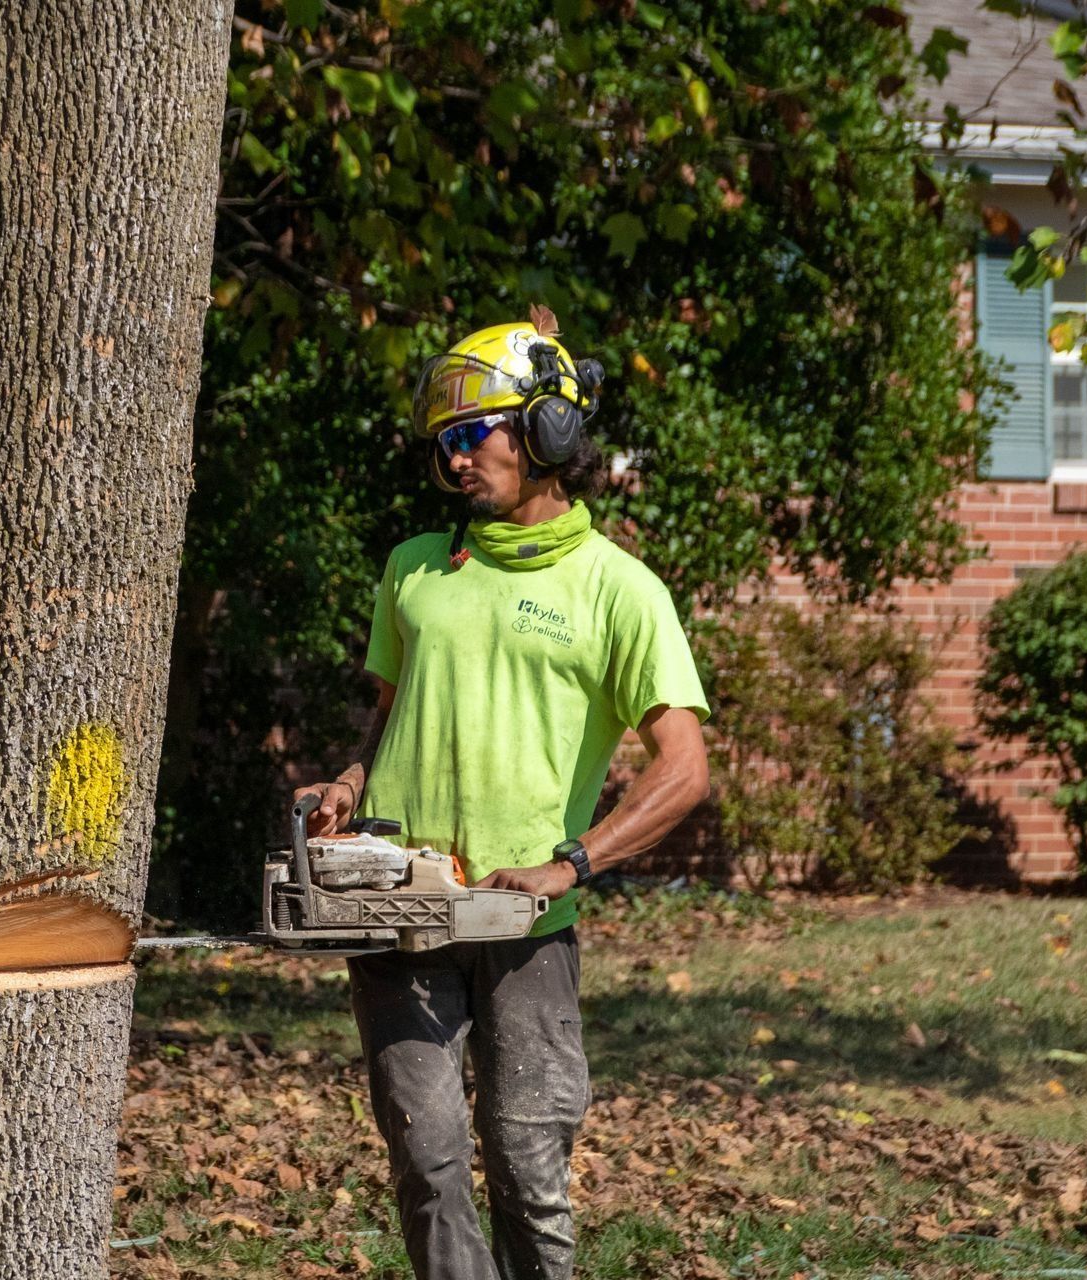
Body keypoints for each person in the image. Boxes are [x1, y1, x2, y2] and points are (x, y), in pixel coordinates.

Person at [295, 312, 710, 1280]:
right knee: (428, 1162)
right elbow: (391, 716)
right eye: (441, 444)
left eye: (468, 435)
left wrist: (573, 862)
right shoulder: (414, 570)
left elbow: (684, 767)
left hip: (528, 922)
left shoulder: (618, 589)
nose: (452, 462)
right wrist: (350, 782)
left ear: (548, 432)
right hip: (399, 909)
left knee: (527, 1167)